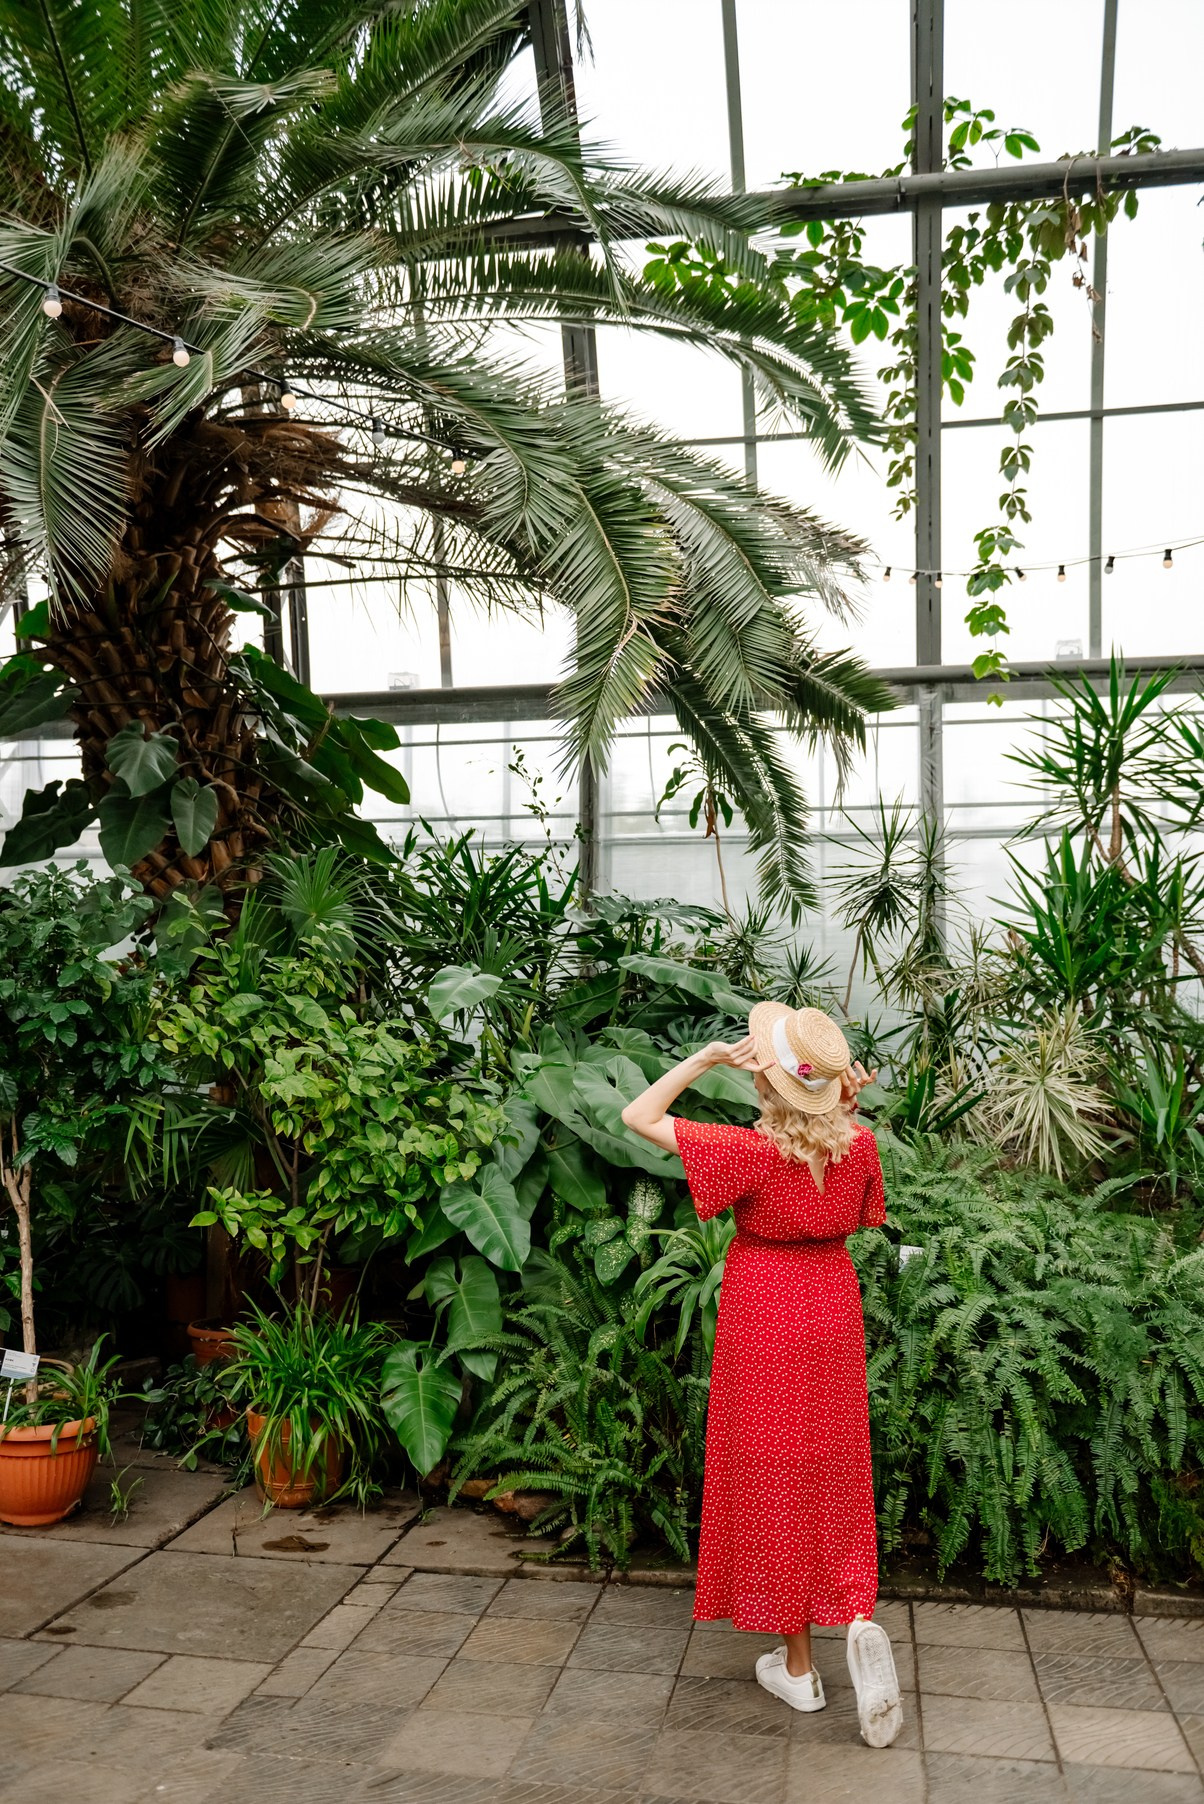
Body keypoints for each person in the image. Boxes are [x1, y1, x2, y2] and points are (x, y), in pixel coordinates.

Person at [620, 1002, 903, 1748]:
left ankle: (800, 1670)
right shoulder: (861, 1146)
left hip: (767, 1313)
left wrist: (706, 1058)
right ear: (832, 1086)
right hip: (831, 1308)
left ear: (767, 1081)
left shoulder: (748, 1153)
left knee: (776, 1477)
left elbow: (637, 1115)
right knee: (832, 1468)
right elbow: (845, 1177)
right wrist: (843, 1105)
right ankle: (855, 1614)